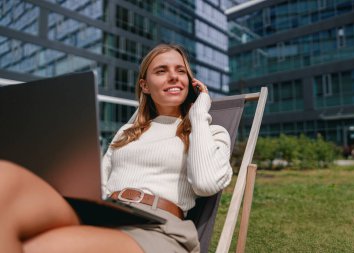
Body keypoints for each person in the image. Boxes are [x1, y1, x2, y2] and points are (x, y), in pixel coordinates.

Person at [0, 43, 233, 253]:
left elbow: (205, 183)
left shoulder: (210, 133)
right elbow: (98, 184)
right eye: (161, 71)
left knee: (33, 247)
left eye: (181, 71)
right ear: (145, 86)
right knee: (5, 176)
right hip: (106, 212)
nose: (173, 77)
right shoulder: (126, 133)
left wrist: (199, 112)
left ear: (190, 83)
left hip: (157, 227)